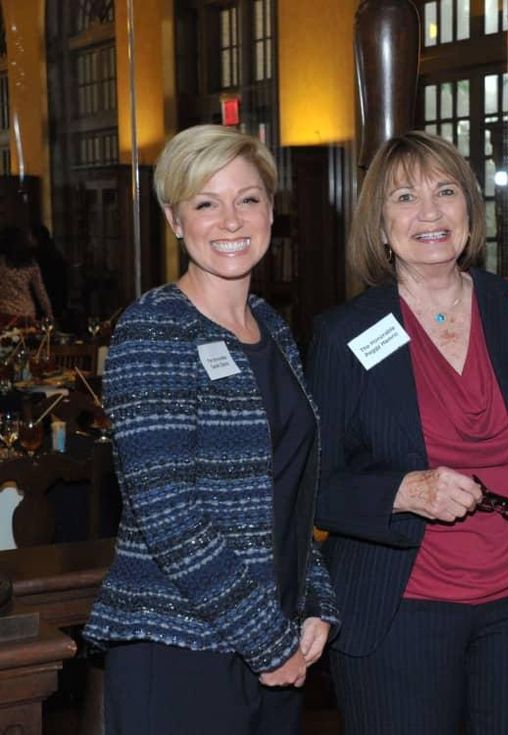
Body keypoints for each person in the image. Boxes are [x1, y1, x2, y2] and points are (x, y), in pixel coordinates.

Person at [308, 130, 508, 734]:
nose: (430, 212)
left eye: (445, 192)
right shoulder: (345, 334)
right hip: (400, 614)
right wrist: (402, 492)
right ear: (380, 224)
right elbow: (313, 483)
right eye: (405, 198)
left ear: (470, 211)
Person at [83, 124, 339, 734]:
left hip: (275, 639)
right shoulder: (153, 331)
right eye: (206, 203)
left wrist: (314, 604)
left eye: (247, 199)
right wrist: (266, 639)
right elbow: (168, 514)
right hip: (178, 645)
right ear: (174, 219)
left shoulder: (272, 328)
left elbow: (289, 493)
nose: (230, 221)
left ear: (270, 212)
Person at [0, 225, 53, 324]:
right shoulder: (30, 264)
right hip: (26, 313)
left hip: (4, 312)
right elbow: (41, 292)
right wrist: (49, 315)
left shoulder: (2, 263)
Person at [29, 224, 69, 319]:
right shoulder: (55, 253)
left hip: (43, 301)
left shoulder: (35, 258)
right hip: (57, 299)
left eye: (30, 237)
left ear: (36, 238)